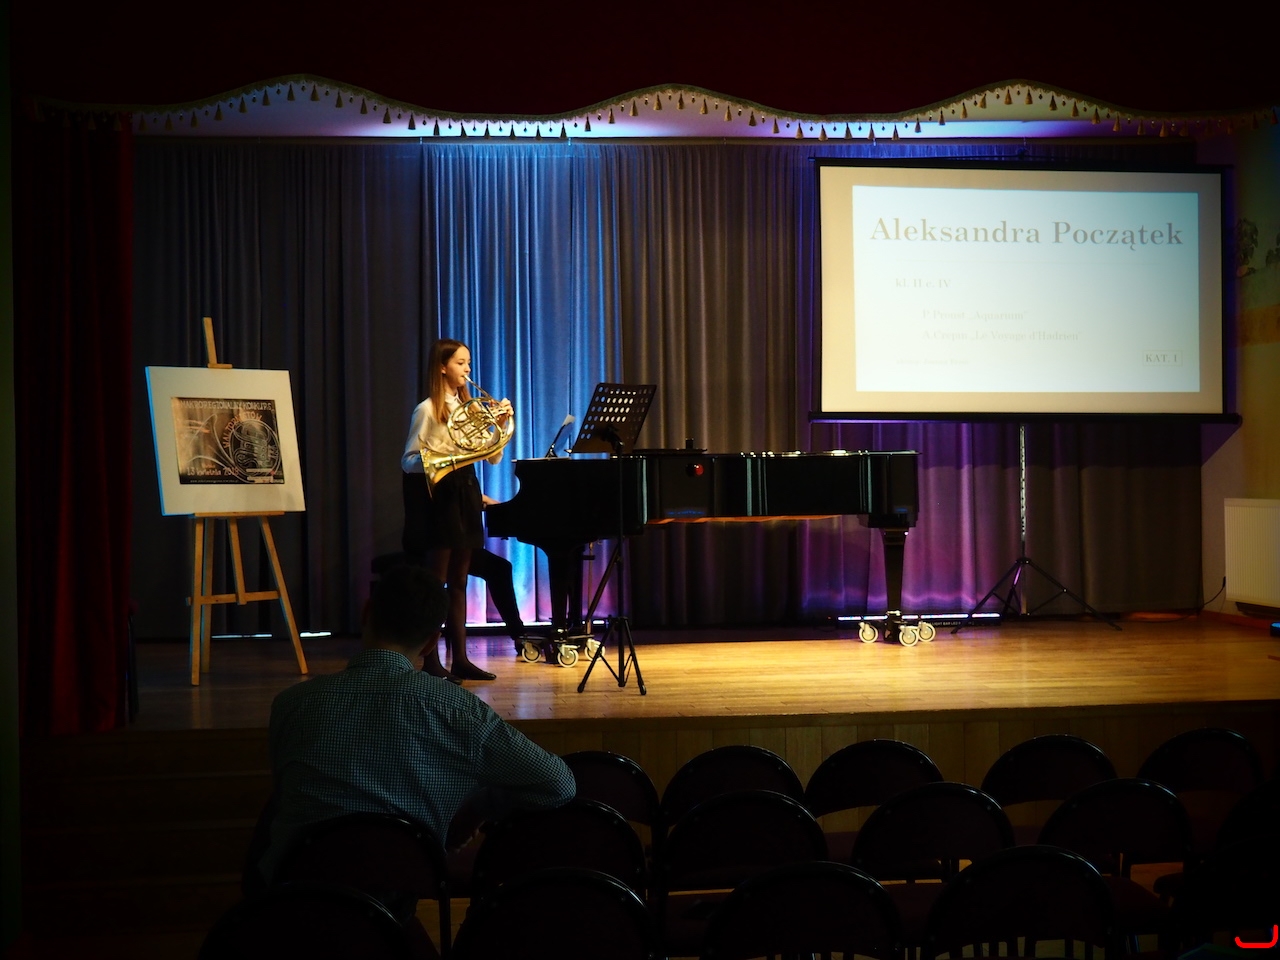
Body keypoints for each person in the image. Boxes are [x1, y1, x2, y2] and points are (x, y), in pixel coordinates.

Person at [258, 563, 575, 881]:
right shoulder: (460, 710)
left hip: (294, 892)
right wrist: (478, 805)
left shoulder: (291, 703)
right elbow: (559, 785)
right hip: (396, 889)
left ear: (366, 612)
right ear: (432, 642)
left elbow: (285, 792)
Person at [401, 338, 513, 681]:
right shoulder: (427, 410)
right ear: (442, 367)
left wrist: (500, 424)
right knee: (438, 583)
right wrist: (444, 460)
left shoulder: (470, 408)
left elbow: (492, 457)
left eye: (468, 363)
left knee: (461, 581)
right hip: (441, 498)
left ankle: (461, 658)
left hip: (466, 492)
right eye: (460, 363)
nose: (467, 369)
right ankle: (431, 661)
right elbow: (408, 461)